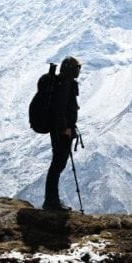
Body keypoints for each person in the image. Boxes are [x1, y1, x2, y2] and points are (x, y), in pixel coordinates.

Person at [43, 56, 81, 211]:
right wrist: (65, 128)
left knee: (58, 164)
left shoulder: (61, 83)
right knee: (58, 164)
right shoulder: (65, 85)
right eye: (78, 68)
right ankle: (52, 201)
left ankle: (52, 199)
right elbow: (60, 109)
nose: (79, 71)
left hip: (60, 130)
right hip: (62, 132)